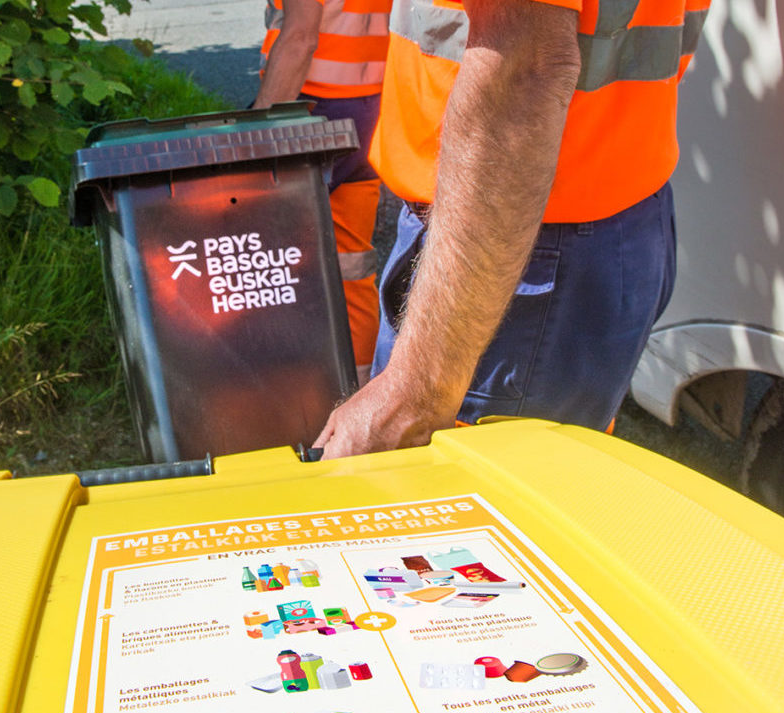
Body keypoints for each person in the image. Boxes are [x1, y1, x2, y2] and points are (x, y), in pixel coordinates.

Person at [314, 0, 710, 458]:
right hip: (603, 209)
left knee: (459, 506)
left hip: (511, 240)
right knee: (553, 484)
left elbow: (522, 71)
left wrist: (416, 392)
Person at [254, 0, 392, 386]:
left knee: (274, 260)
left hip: (310, 109)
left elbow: (300, 38)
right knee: (351, 262)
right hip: (369, 105)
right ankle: (358, 389)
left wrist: (256, 132)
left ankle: (284, 388)